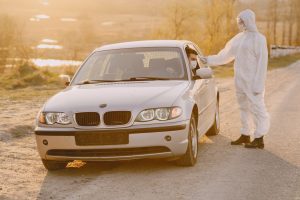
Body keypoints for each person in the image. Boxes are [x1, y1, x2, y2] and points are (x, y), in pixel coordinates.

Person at [200, 9, 270, 149]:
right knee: (243, 107)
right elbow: (225, 55)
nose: (240, 24)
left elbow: (263, 64)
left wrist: (258, 84)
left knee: (257, 108)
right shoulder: (239, 38)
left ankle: (259, 137)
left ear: (249, 21)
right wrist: (207, 60)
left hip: (253, 82)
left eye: (242, 21)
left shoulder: (259, 39)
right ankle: (245, 134)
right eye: (239, 21)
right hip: (240, 80)